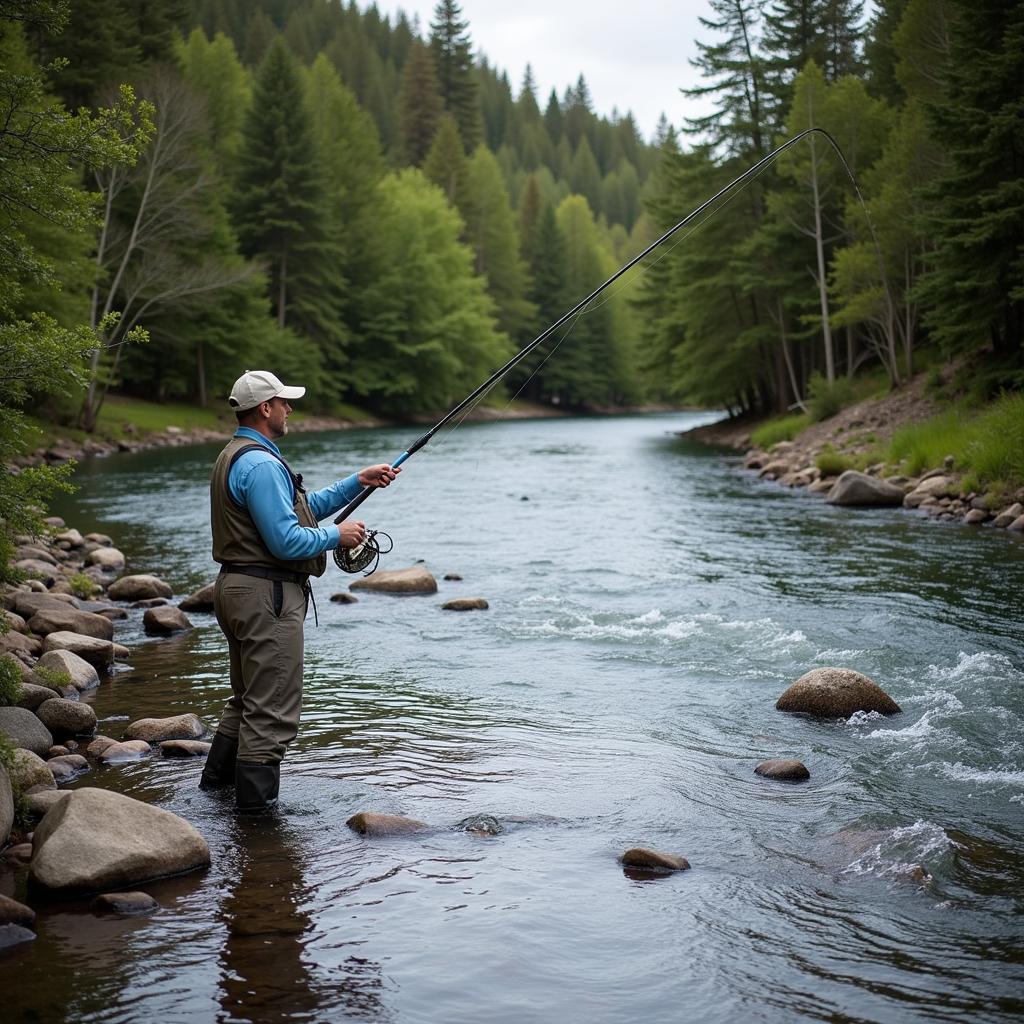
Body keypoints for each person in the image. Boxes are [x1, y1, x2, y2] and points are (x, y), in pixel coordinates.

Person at [200, 370, 399, 812]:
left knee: (247, 701)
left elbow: (299, 510)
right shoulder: (263, 465)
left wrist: (357, 481)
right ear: (265, 408)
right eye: (284, 402)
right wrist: (336, 536)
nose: (290, 408)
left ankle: (214, 796)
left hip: (237, 589)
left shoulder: (236, 456)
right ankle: (256, 824)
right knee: (270, 711)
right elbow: (287, 540)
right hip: (266, 597)